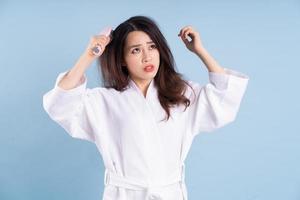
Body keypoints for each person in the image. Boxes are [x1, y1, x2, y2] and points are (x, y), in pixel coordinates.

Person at [43, 15, 249, 200]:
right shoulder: (104, 101)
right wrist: (88, 55)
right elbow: (61, 104)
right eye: (136, 50)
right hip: (124, 194)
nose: (147, 57)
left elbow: (224, 97)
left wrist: (200, 51)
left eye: (152, 47)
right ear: (122, 60)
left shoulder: (181, 94)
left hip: (170, 194)